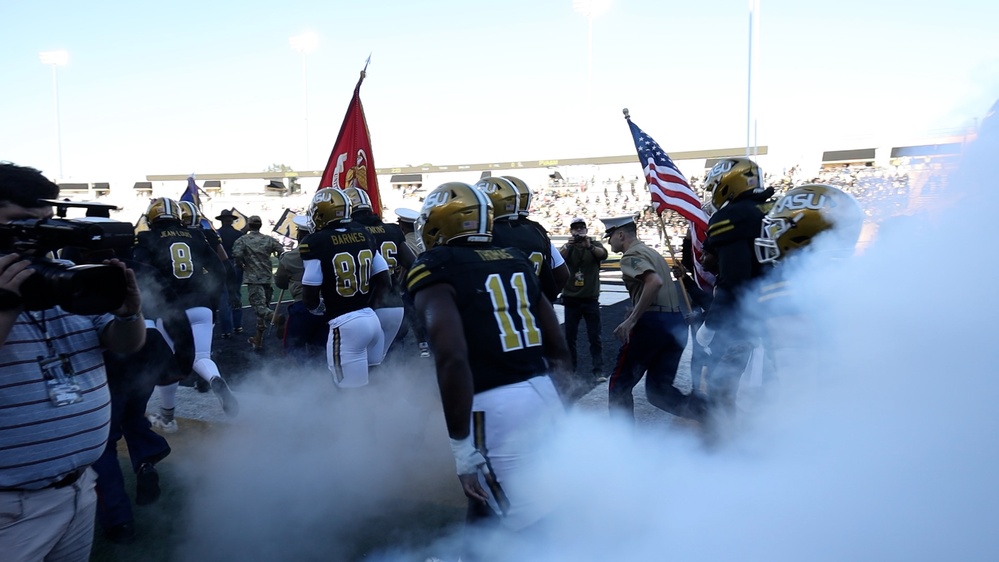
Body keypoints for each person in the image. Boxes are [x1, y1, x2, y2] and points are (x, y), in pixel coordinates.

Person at [407, 182, 572, 546]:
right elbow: (557, 345)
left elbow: (452, 357)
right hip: (542, 389)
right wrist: (557, 400)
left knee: (519, 516)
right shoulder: (514, 258)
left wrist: (460, 448)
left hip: (493, 405)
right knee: (512, 498)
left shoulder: (435, 266)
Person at [0, 162, 146, 561]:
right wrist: (8, 303)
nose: (38, 236)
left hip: (79, 488)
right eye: (21, 223)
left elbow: (125, 344)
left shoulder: (68, 274)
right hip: (9, 507)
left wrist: (128, 312)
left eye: (46, 222)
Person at [752, 184, 864, 406]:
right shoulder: (854, 279)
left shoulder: (786, 290)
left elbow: (795, 378)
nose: (771, 234)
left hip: (813, 417)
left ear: (803, 232)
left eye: (779, 227)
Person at [132, 197, 238, 429]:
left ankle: (168, 417)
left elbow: (142, 275)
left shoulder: (147, 238)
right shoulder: (197, 236)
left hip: (170, 309)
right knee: (201, 357)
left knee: (170, 365)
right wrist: (212, 298)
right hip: (201, 304)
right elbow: (219, 269)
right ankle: (215, 379)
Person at [601, 215, 704, 423]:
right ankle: (711, 414)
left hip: (652, 326)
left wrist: (632, 319)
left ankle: (622, 442)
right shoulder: (653, 253)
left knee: (620, 384)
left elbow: (653, 282)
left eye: (610, 235)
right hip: (675, 324)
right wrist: (637, 307)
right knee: (659, 391)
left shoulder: (631, 255)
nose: (609, 240)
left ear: (620, 234)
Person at [694, 157, 774, 427]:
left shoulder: (733, 216)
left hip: (749, 319)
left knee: (721, 389)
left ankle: (730, 449)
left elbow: (735, 280)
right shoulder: (770, 208)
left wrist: (710, 325)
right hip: (783, 314)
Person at [300, 188, 394, 388]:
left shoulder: (315, 242)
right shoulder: (364, 234)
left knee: (348, 394)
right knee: (374, 385)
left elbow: (310, 295)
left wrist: (320, 309)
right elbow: (385, 281)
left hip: (345, 324)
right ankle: (386, 418)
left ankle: (356, 421)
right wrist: (368, 306)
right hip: (372, 320)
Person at [342, 186, 410, 360]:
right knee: (390, 360)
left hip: (365, 304)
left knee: (358, 360)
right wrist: (401, 287)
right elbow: (413, 263)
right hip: (395, 304)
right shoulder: (393, 230)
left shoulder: (352, 233)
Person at [558, 217, 607, 384]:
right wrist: (569, 245)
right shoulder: (568, 247)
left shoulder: (593, 244)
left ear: (586, 229)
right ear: (571, 231)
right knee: (570, 338)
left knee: (595, 337)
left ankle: (598, 370)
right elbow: (558, 259)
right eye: (575, 229)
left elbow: (604, 255)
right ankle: (571, 371)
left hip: (590, 299)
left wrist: (589, 246)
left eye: (581, 228)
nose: (579, 231)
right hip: (571, 299)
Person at [275, 215, 328, 362]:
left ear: (299, 235)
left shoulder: (289, 257)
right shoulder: (327, 253)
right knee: (322, 349)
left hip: (301, 306)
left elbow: (281, 283)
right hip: (326, 306)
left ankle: (301, 380)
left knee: (294, 349)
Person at [231, 215, 283, 350]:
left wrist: (241, 263)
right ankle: (258, 338)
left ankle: (276, 318)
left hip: (253, 279)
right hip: (267, 277)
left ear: (249, 225)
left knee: (259, 308)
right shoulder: (268, 239)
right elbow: (281, 250)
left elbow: (236, 254)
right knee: (263, 306)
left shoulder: (243, 240)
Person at [394, 206, 430, 357]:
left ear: (402, 225)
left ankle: (422, 348)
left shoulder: (406, 242)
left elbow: (405, 267)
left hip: (411, 286)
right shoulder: (422, 239)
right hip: (426, 283)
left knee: (412, 320)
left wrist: (399, 288)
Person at [214, 209, 245, 338]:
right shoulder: (238, 234)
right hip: (236, 265)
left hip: (221, 265)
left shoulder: (216, 234)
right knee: (236, 293)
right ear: (231, 220)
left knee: (223, 297)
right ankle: (238, 326)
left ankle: (226, 330)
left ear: (221, 220)